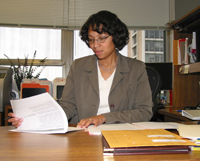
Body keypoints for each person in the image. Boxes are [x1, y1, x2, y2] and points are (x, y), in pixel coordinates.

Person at [8, 10, 153, 128]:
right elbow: (68, 106)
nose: (95, 45)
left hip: (122, 135)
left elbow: (144, 112)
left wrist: (103, 118)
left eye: (101, 38)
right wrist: (32, 119)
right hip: (84, 134)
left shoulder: (136, 69)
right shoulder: (79, 67)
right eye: (91, 39)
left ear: (116, 37)